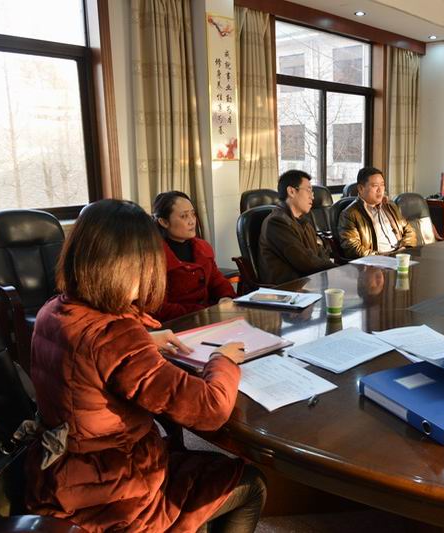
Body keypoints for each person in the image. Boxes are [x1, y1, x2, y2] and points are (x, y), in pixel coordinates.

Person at [27, 199, 266, 533]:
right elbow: (210, 410)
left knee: (200, 468)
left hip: (63, 475)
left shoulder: (52, 310)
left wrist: (144, 338)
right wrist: (222, 359)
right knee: (251, 482)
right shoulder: (114, 335)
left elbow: (87, 357)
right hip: (116, 494)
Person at [152, 191, 236, 322]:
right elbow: (159, 308)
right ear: (163, 222)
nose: (192, 221)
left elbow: (217, 280)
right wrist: (204, 312)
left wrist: (225, 297)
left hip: (209, 318)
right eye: (184, 216)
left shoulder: (202, 247)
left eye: (193, 214)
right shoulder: (154, 257)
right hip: (178, 323)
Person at [258, 170, 335, 284]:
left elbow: (319, 252)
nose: (312, 197)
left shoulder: (304, 221)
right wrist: (337, 269)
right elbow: (305, 261)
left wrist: (332, 267)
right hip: (287, 288)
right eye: (308, 190)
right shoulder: (276, 222)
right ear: (291, 191)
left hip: (309, 283)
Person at [337, 167, 417, 258]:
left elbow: (409, 230)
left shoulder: (390, 206)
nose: (380, 190)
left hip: (401, 255)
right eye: (375, 186)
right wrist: (382, 257)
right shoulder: (349, 214)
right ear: (360, 188)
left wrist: (404, 248)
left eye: (382, 185)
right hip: (377, 261)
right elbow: (352, 248)